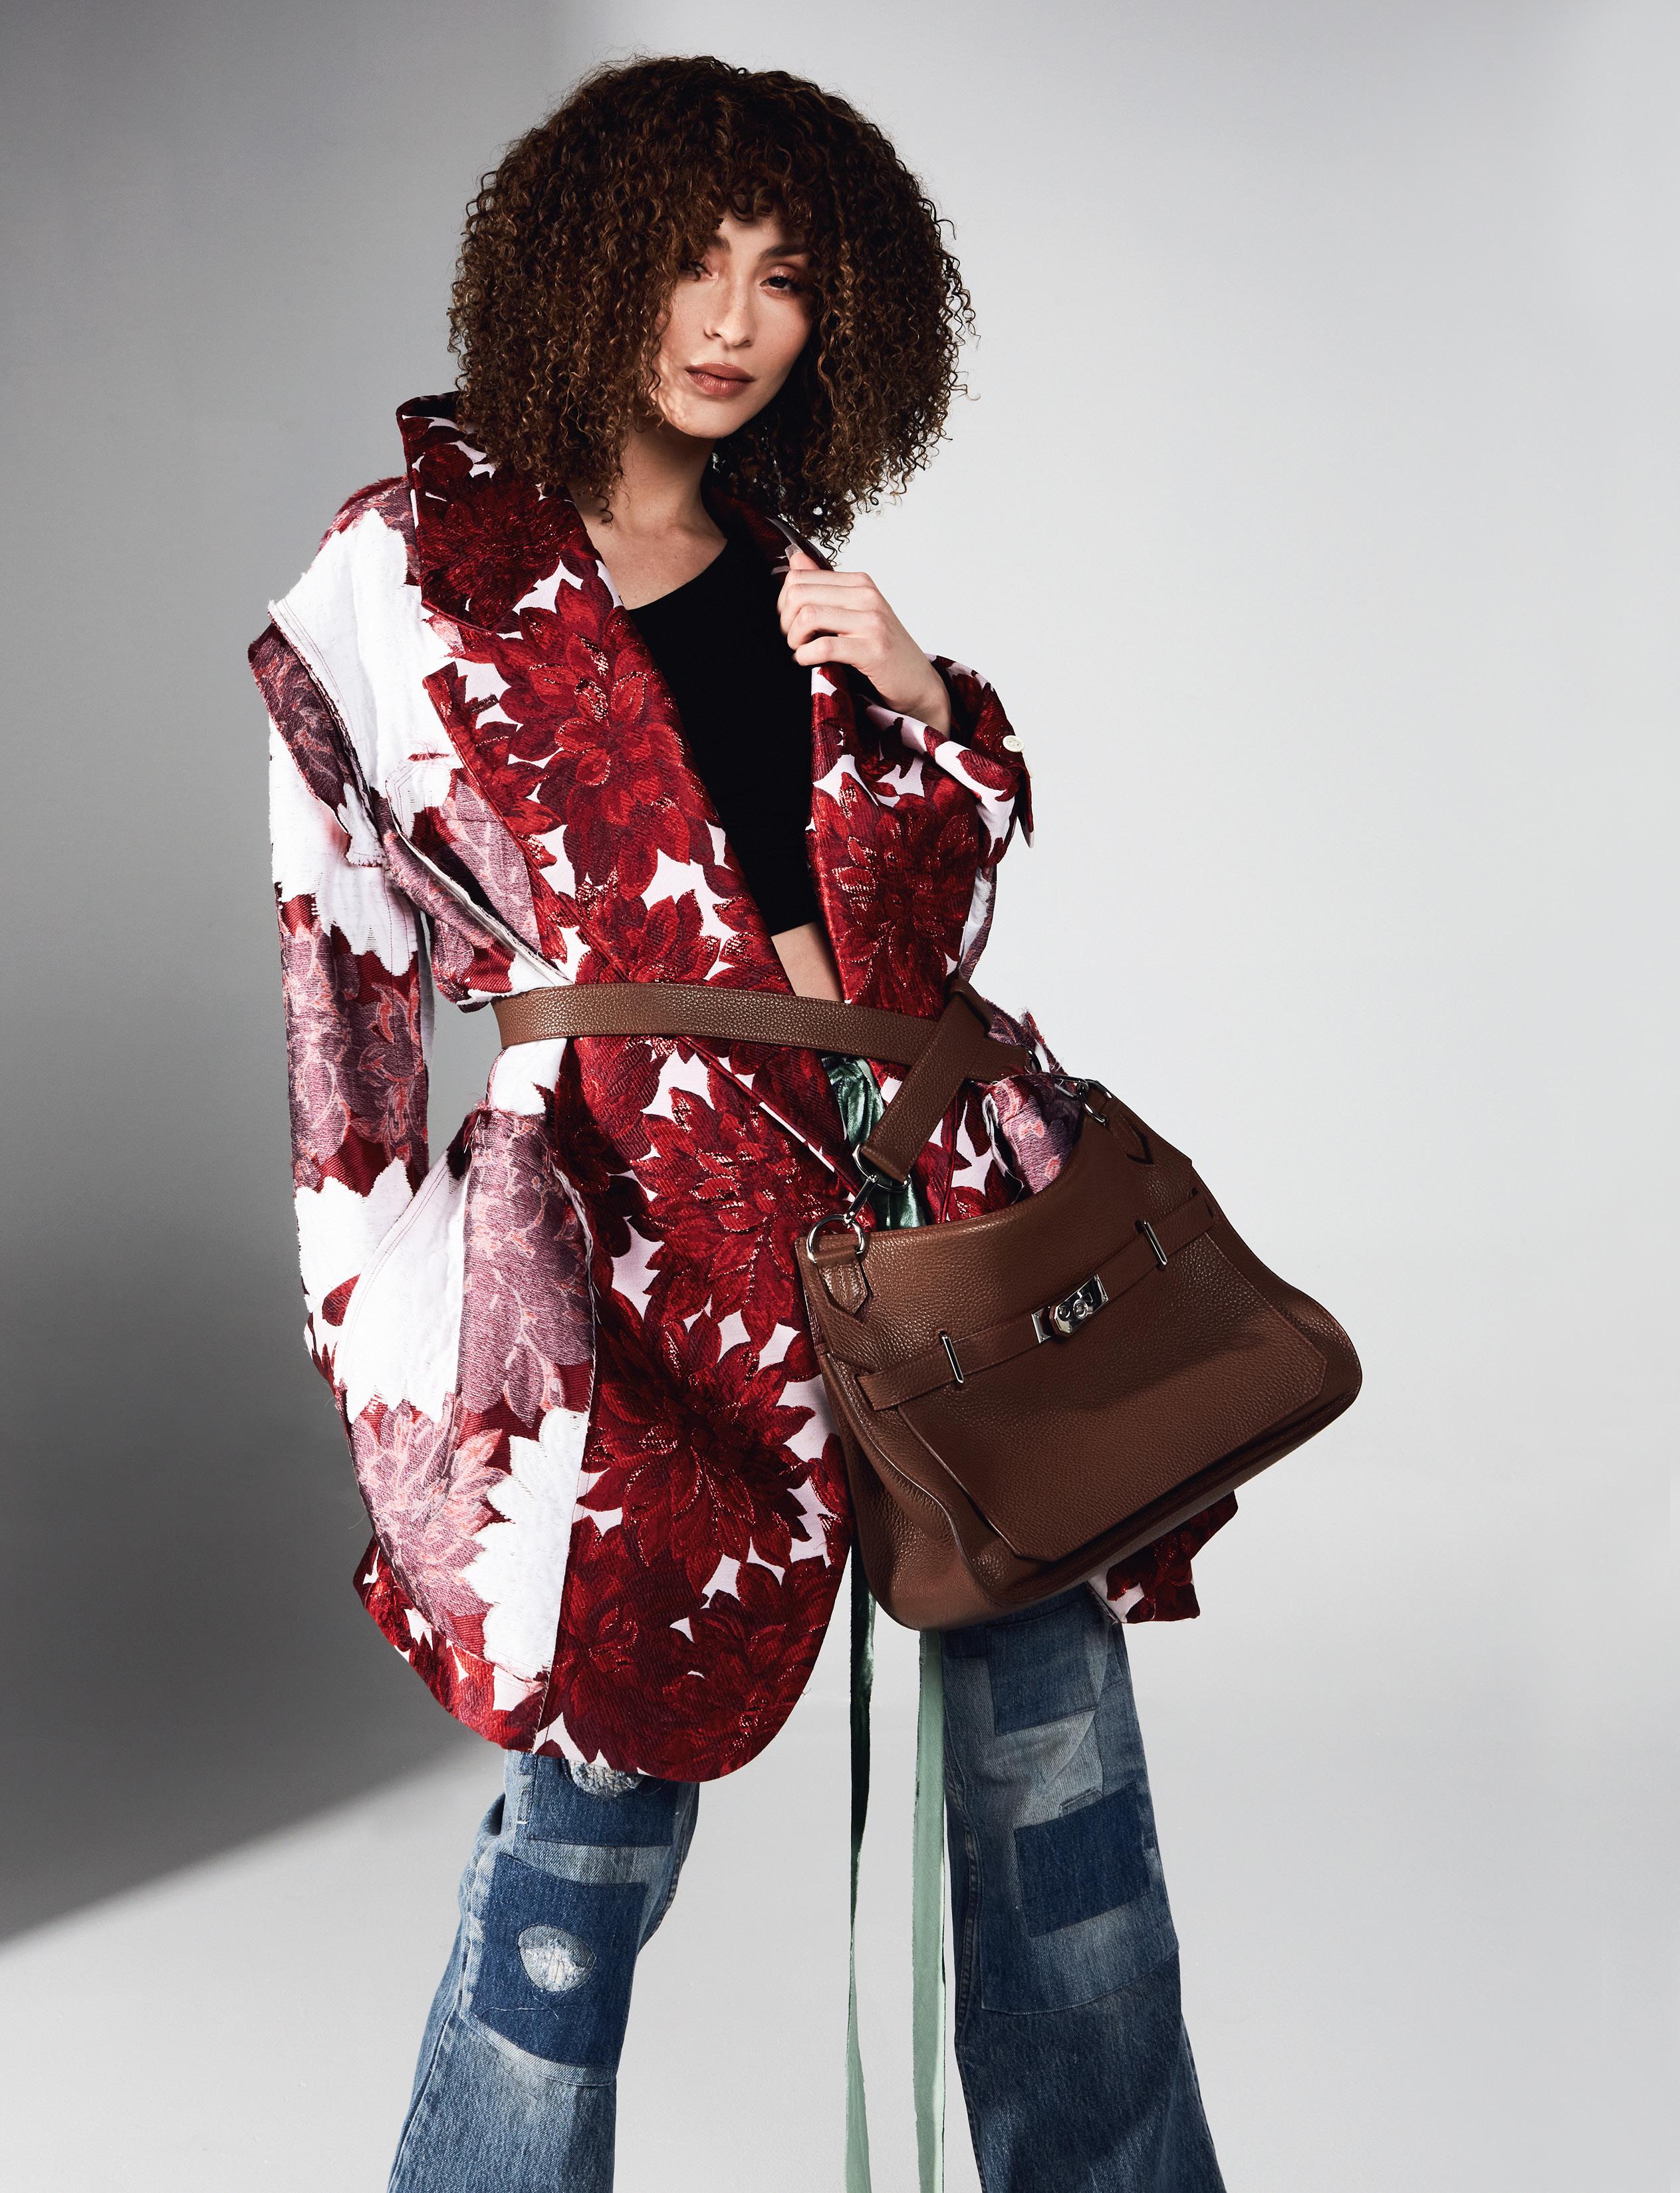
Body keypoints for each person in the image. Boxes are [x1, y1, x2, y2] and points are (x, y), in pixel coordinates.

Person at [252, 54, 1233, 2193]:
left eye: (785, 276)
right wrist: (386, 1315)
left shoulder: (798, 581)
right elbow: (343, 988)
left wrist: (924, 707)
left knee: (1060, 1797)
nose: (732, 318)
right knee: (585, 1833)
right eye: (691, 258)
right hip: (633, 1262)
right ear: (583, 259)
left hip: (922, 1217)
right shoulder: (416, 573)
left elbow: (911, 941)